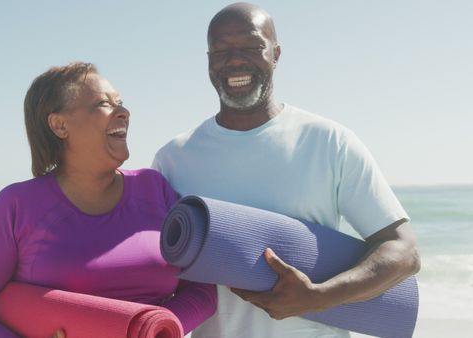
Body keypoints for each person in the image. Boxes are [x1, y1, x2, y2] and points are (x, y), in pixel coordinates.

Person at [152, 3, 421, 337]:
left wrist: (318, 297)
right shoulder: (174, 159)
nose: (234, 60)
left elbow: (403, 250)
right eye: (221, 50)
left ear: (275, 54)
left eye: (251, 47)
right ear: (208, 60)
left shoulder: (328, 142)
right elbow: (147, 272)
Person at [0, 62, 216, 337]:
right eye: (104, 104)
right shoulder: (18, 205)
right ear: (59, 125)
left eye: (120, 102)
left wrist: (155, 330)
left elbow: (202, 289)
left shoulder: (155, 189)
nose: (123, 112)